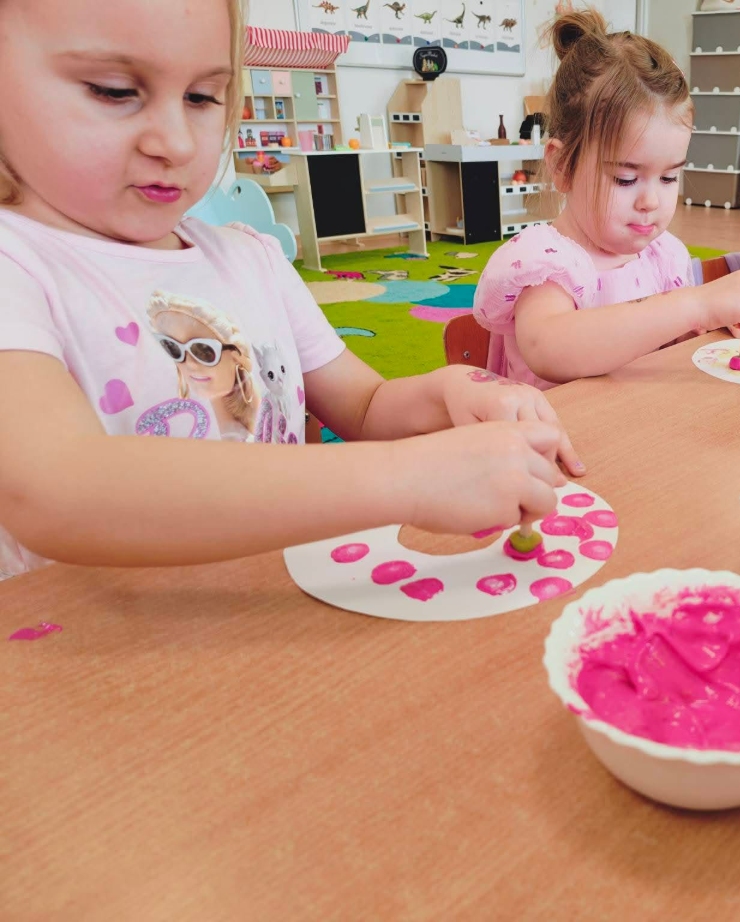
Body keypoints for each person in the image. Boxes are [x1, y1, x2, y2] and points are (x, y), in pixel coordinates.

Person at [0, 0, 581, 580]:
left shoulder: (250, 258)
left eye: (201, 97)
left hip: (278, 603)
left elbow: (364, 405)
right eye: (112, 90)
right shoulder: (16, 267)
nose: (176, 143)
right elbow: (55, 491)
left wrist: (452, 390)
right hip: (105, 633)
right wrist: (408, 477)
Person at [472, 10, 740, 389]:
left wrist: (708, 322)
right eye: (626, 178)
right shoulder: (546, 263)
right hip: (564, 426)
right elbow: (549, 349)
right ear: (562, 166)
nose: (651, 200)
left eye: (669, 177)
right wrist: (696, 306)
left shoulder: (662, 257)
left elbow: (664, 348)